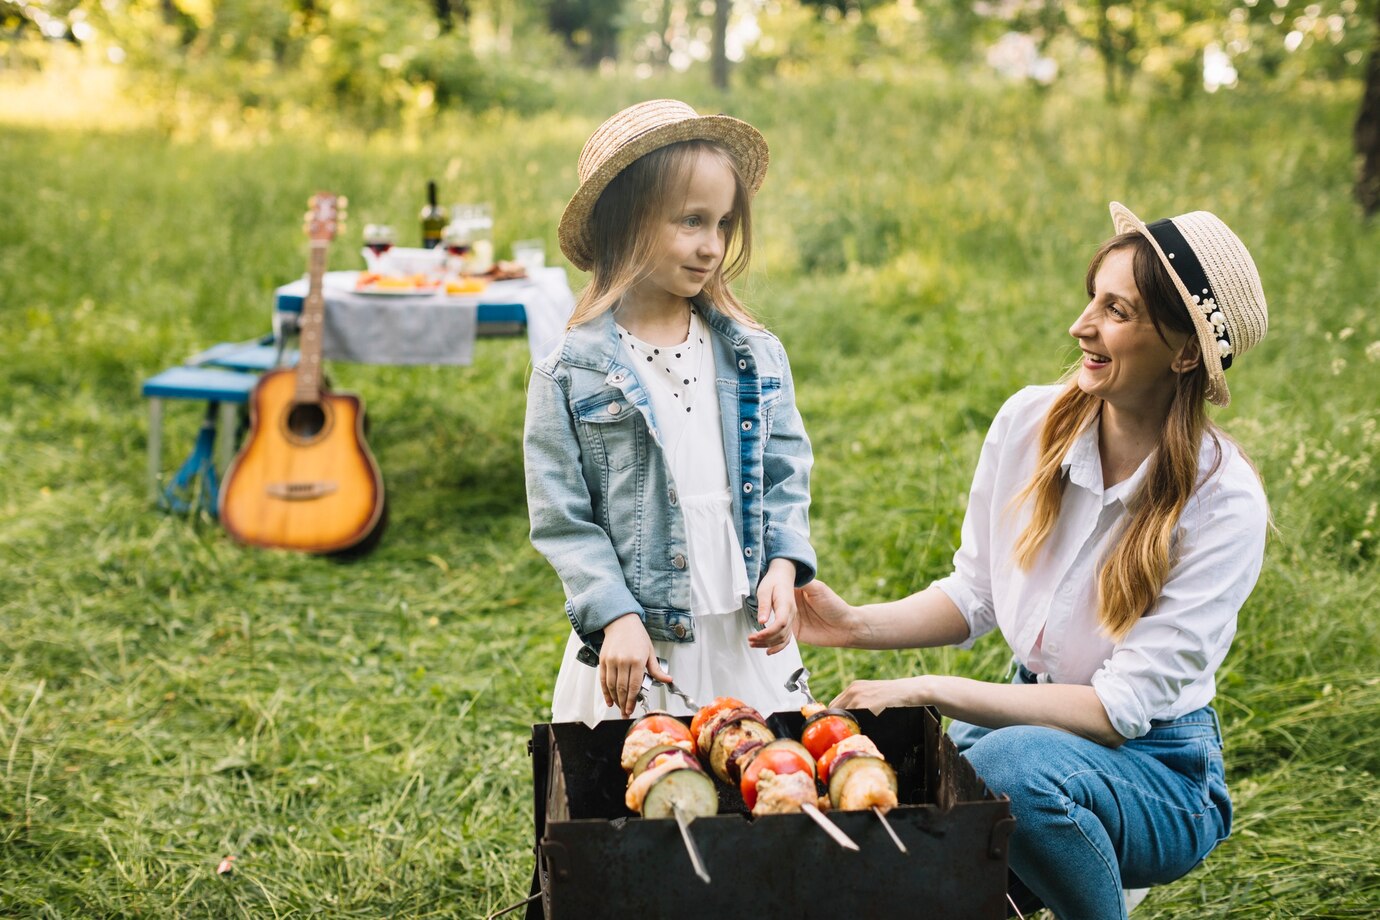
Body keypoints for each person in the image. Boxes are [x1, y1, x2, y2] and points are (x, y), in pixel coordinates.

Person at [792, 202, 1270, 920]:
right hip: (1031, 728)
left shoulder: (1222, 500)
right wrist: (855, 625)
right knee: (930, 802)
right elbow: (976, 594)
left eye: (1117, 311)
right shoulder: (1028, 423)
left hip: (1161, 772)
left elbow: (1115, 713)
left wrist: (929, 687)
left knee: (999, 771)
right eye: (1091, 299)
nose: (1081, 327)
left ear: (1181, 352)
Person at [525, 99, 816, 724]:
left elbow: (784, 471)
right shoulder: (569, 372)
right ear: (625, 223)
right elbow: (562, 519)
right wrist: (616, 616)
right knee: (643, 793)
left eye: (723, 224)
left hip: (744, 631)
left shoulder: (754, 355)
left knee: (758, 786)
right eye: (690, 221)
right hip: (640, 645)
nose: (712, 246)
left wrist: (784, 565)